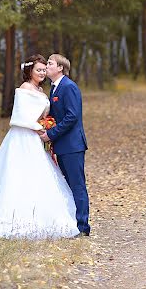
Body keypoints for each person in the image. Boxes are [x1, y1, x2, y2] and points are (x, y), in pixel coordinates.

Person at [0, 54, 79, 239]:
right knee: (18, 175)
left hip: (36, 138)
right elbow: (20, 117)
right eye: (39, 70)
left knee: (36, 176)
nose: (42, 73)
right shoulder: (25, 88)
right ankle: (11, 218)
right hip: (23, 137)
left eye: (44, 69)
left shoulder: (43, 91)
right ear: (30, 71)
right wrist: (39, 128)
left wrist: (47, 127)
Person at [38, 54, 90, 237]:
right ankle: (72, 223)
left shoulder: (68, 87)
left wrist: (50, 134)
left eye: (50, 63)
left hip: (72, 145)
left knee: (77, 185)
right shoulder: (54, 88)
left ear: (60, 68)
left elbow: (72, 116)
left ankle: (83, 227)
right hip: (62, 145)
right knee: (67, 185)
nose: (46, 66)